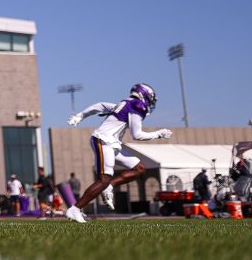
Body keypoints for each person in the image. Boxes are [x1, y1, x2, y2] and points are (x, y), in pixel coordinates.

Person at [63, 83, 173, 223]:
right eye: (149, 98)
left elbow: (100, 105)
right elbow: (137, 135)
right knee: (104, 179)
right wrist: (158, 134)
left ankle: (110, 185)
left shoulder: (124, 103)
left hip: (112, 144)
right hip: (104, 141)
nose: (150, 102)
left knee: (139, 169)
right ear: (143, 95)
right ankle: (75, 209)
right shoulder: (138, 106)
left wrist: (81, 116)